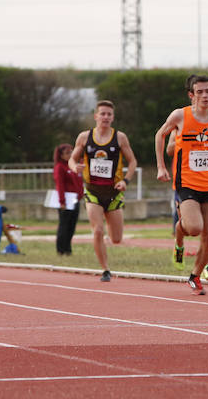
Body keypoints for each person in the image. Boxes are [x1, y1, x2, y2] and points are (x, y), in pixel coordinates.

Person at [155, 75, 208, 295]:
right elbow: (159, 136)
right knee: (194, 228)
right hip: (187, 182)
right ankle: (179, 238)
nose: (204, 95)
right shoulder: (180, 115)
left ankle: (195, 276)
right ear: (191, 95)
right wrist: (161, 167)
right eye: (199, 92)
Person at [69, 100, 138, 282]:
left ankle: (110, 221)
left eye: (109, 114)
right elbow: (72, 158)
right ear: (96, 116)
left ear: (113, 117)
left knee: (116, 239)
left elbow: (132, 162)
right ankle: (105, 269)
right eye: (102, 114)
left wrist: (125, 180)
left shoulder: (120, 138)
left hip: (114, 193)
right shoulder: (84, 137)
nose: (106, 117)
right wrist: (74, 166)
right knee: (98, 231)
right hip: (93, 192)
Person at [166, 128, 208, 282]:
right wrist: (189, 140)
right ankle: (179, 242)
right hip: (186, 180)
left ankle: (206, 266)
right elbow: (170, 149)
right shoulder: (180, 123)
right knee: (193, 227)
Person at [53, 143, 83, 256]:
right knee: (64, 225)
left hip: (75, 200)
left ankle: (68, 249)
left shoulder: (74, 165)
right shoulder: (60, 167)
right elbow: (59, 185)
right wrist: (62, 201)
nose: (70, 154)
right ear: (61, 155)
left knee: (72, 226)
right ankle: (61, 250)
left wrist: (81, 195)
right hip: (66, 201)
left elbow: (79, 182)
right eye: (67, 153)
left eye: (71, 151)